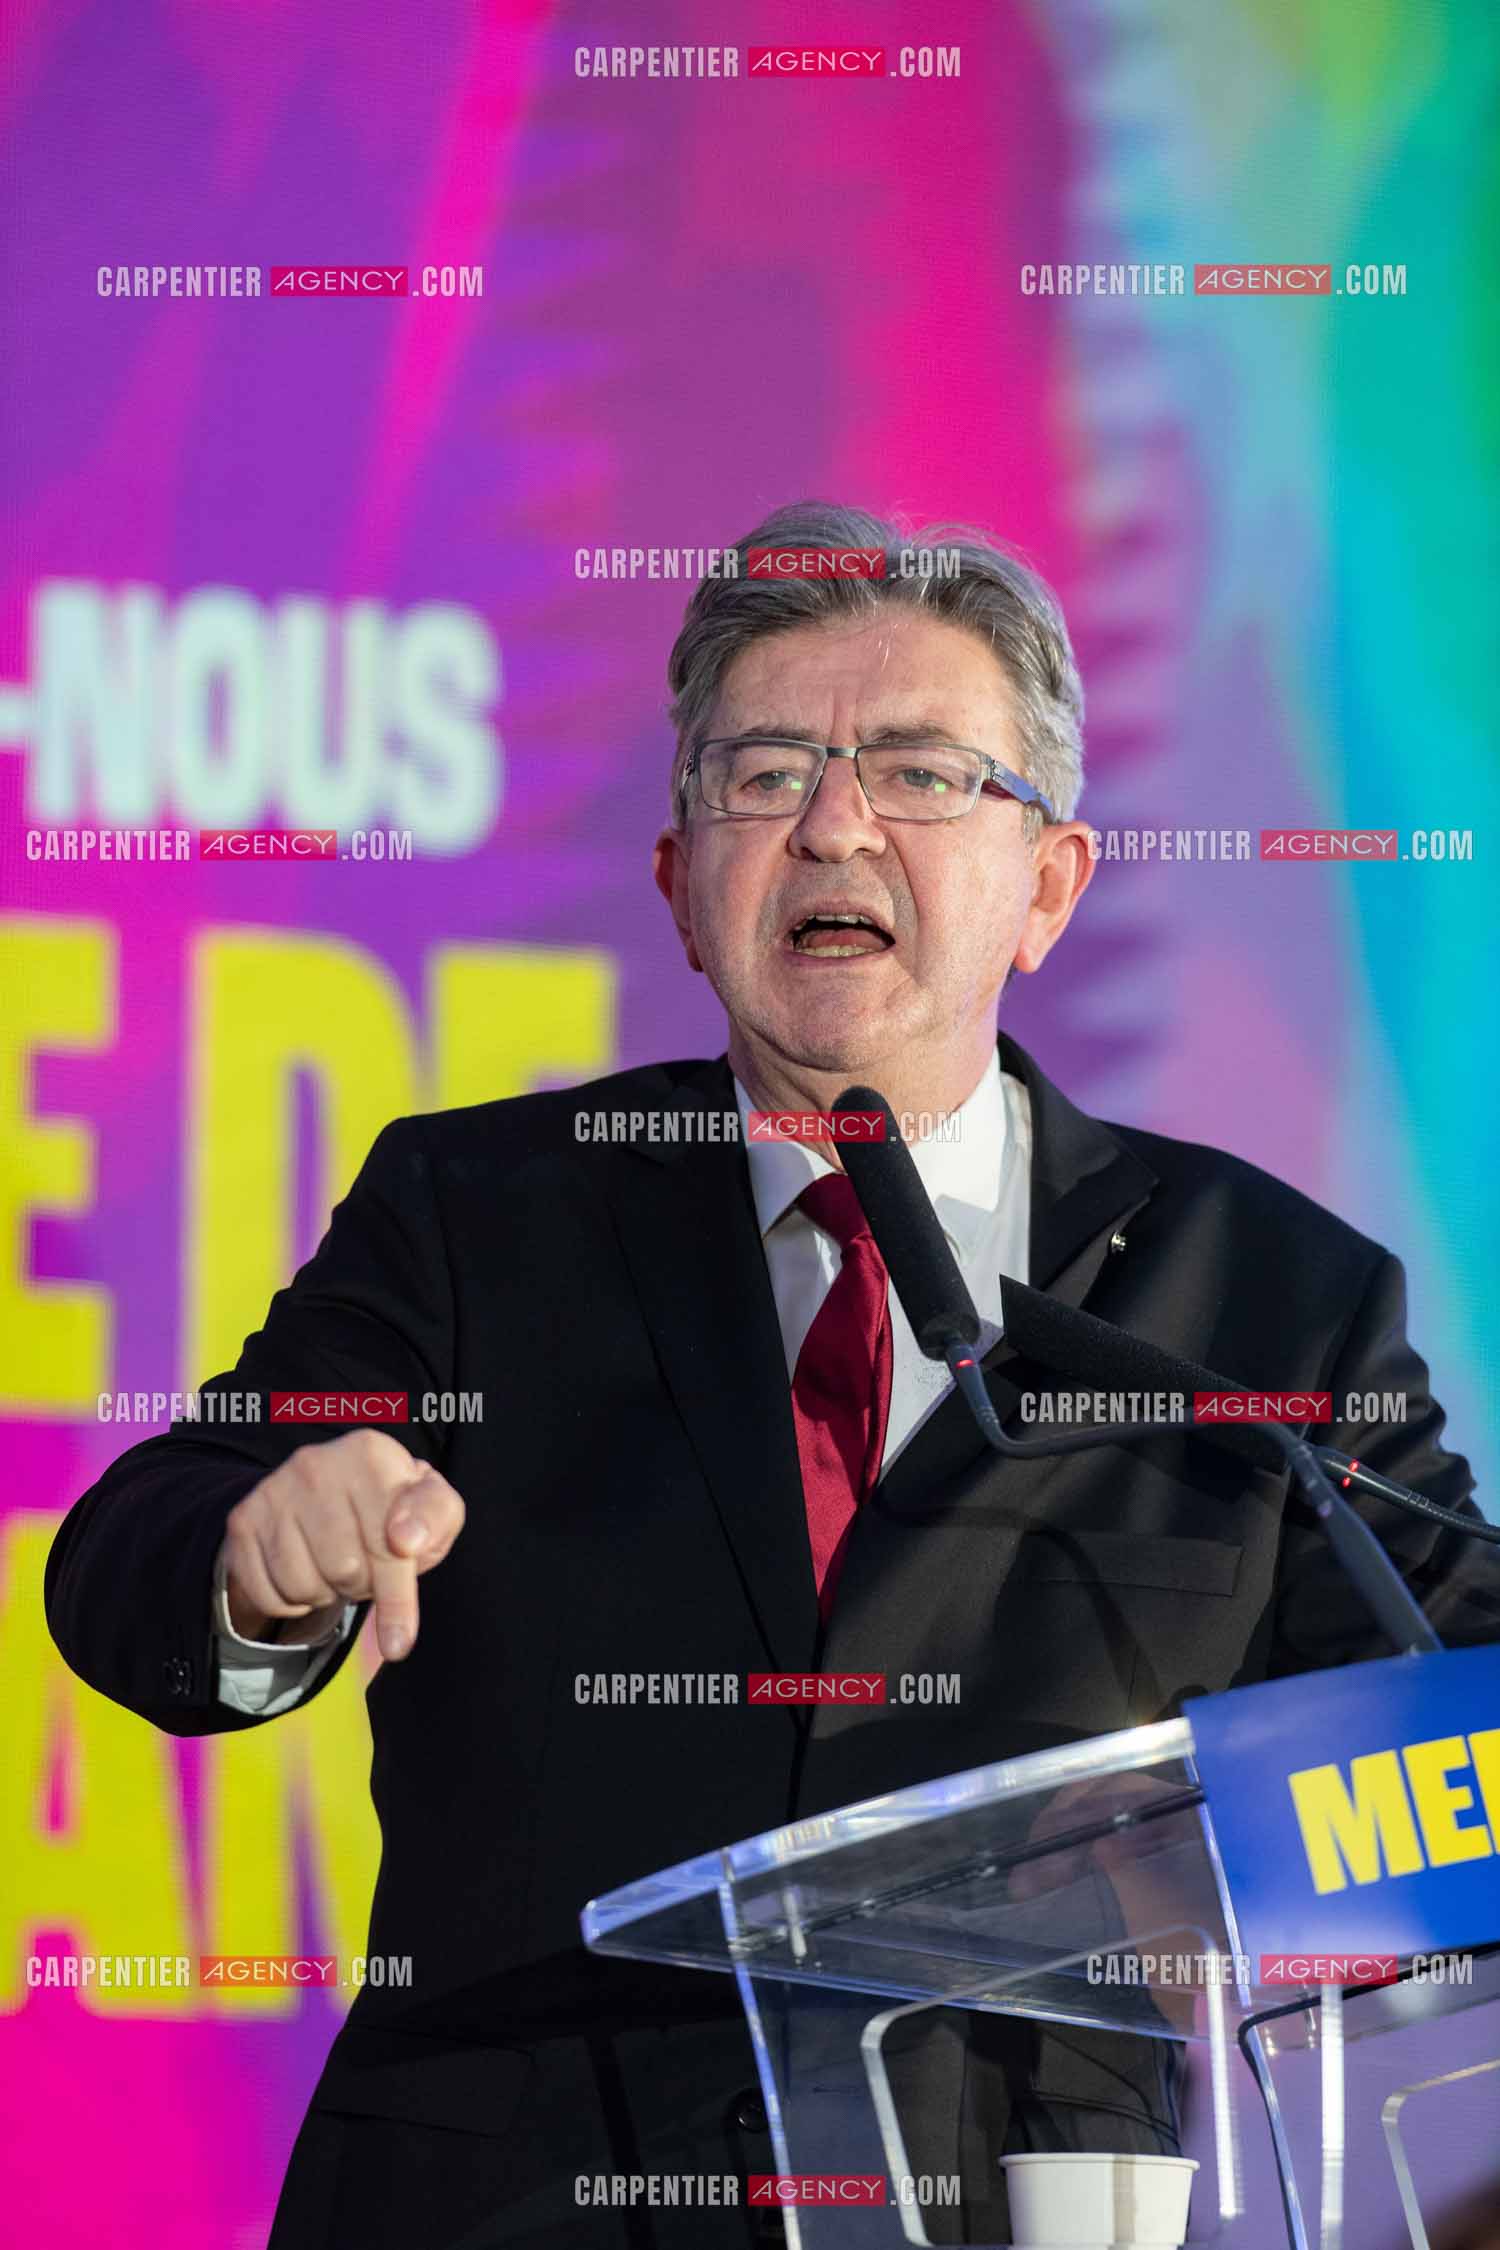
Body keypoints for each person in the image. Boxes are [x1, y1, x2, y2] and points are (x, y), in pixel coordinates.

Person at [46, 502, 1500, 2248]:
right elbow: (131, 1555)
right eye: (763, 774)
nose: (832, 823)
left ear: (1047, 885)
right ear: (677, 884)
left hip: (1010, 2206)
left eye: (918, 770)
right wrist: (258, 1553)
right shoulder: (480, 1215)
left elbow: (1454, 1705)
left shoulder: (1266, 1296)